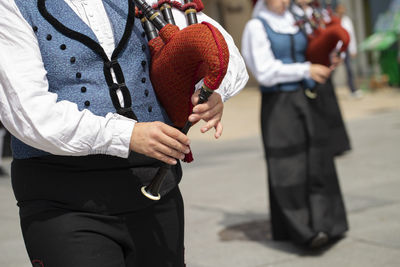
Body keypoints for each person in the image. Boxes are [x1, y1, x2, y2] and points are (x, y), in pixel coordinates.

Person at [0, 0, 248, 266]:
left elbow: (216, 41)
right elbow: (29, 114)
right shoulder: (12, 6)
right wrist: (127, 134)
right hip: (64, 198)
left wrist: (211, 90)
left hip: (154, 185)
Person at [241, 0, 348, 248]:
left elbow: (313, 49)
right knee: (289, 167)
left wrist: (328, 55)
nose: (284, 1)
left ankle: (327, 224)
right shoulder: (256, 27)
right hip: (279, 104)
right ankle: (303, 230)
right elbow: (264, 72)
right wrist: (305, 70)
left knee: (318, 160)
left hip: (307, 99)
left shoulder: (296, 19)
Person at [291, 0, 351, 156]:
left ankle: (336, 143)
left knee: (329, 104)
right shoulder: (291, 14)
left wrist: (338, 54)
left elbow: (333, 34)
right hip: (305, 68)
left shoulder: (319, 12)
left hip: (323, 66)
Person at [335, 3, 362, 99]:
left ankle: (353, 90)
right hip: (336, 49)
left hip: (345, 49)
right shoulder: (334, 20)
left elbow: (351, 36)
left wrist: (353, 49)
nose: (342, 11)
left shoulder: (347, 21)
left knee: (349, 69)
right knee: (332, 70)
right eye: (340, 9)